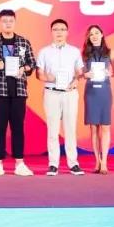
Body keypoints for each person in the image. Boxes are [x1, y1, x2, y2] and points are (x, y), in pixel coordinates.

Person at [0, 9, 36, 177]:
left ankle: (20, 163)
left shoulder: (24, 42)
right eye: (4, 21)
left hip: (19, 91)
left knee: (18, 128)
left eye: (11, 21)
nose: (8, 24)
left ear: (15, 22)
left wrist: (24, 68)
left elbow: (32, 64)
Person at [36, 19, 85, 176]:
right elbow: (39, 73)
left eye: (62, 29)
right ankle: (53, 164)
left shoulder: (74, 51)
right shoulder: (44, 52)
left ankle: (73, 163)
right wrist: (47, 78)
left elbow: (80, 71)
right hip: (52, 93)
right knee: (53, 129)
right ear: (51, 32)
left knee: (70, 128)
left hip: (70, 93)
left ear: (67, 32)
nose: (59, 32)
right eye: (56, 29)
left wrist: (76, 80)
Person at [81, 25, 114, 174]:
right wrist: (85, 74)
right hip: (91, 92)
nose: (94, 36)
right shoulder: (84, 54)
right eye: (91, 34)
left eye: (96, 33)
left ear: (102, 34)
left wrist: (110, 73)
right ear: (88, 37)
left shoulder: (110, 52)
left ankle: (105, 162)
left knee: (105, 126)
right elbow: (81, 72)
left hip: (105, 92)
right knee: (93, 127)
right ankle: (97, 161)